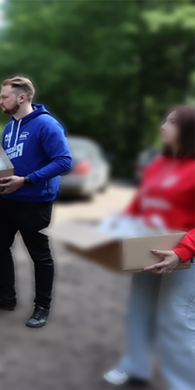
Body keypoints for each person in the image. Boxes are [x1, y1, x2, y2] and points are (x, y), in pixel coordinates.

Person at [103, 106, 195, 390]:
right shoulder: (158, 164)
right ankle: (135, 365)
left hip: (184, 258)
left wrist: (182, 252)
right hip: (147, 248)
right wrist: (115, 226)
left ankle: (184, 384)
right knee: (139, 311)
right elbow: (140, 205)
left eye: (171, 122)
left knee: (176, 320)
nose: (163, 127)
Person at [0, 76, 71, 328]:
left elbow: (63, 162)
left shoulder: (46, 124)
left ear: (21, 97)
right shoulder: (10, 127)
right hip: (8, 200)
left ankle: (42, 307)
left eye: (4, 97)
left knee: (39, 256)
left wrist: (27, 180)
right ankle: (6, 297)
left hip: (36, 202)